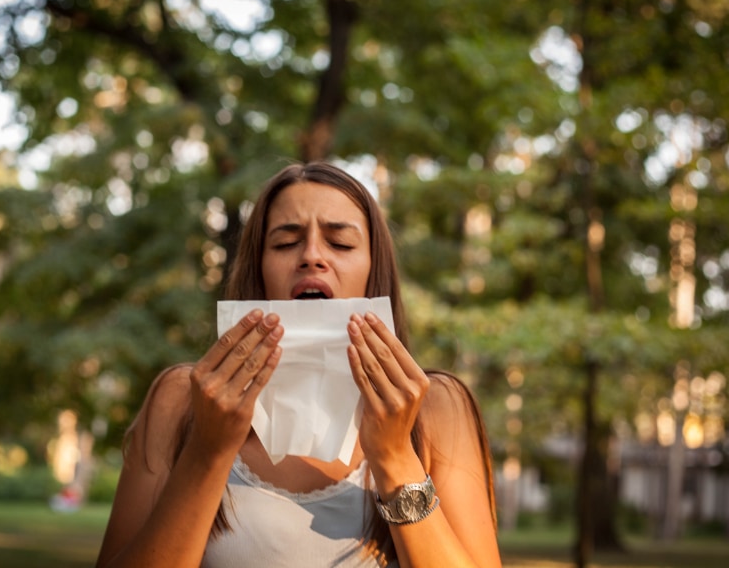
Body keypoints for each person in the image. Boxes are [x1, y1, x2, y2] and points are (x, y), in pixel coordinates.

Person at [95, 161, 501, 567]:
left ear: (373, 270)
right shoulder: (183, 400)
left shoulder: (436, 407)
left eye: (340, 244)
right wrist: (207, 450)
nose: (311, 256)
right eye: (286, 243)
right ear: (259, 269)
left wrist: (396, 457)